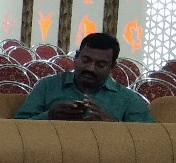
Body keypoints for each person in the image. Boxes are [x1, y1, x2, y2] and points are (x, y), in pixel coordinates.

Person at [14, 32, 153, 122]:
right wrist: (50, 116)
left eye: (100, 65)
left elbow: (149, 138)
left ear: (112, 67)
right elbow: (17, 126)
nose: (90, 68)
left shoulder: (127, 99)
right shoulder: (48, 86)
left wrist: (111, 124)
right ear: (75, 57)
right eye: (85, 60)